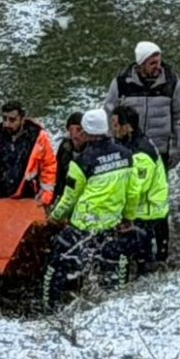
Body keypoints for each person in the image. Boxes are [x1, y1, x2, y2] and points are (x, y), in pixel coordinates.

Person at [42, 109, 139, 308]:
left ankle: (49, 306)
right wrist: (128, 217)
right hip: (112, 223)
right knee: (116, 264)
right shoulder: (127, 155)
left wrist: (54, 218)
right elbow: (133, 192)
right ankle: (117, 303)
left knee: (57, 262)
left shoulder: (81, 162)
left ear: (86, 131)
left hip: (83, 225)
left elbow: (69, 198)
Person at [103, 41, 180, 262]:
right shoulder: (121, 83)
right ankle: (137, 248)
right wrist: (114, 145)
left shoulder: (171, 82)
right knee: (132, 199)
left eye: (158, 61)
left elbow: (179, 117)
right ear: (140, 64)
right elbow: (109, 112)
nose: (158, 66)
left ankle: (162, 251)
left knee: (157, 202)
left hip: (158, 150)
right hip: (128, 149)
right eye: (152, 63)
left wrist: (177, 148)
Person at [0, 101, 58, 292]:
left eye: (12, 120)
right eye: (4, 119)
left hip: (26, 197)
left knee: (28, 241)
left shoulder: (39, 137)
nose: (7, 124)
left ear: (22, 118)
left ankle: (26, 279)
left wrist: (46, 197)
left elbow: (49, 167)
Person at [110, 105, 169, 274]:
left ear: (127, 126)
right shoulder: (132, 143)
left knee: (142, 258)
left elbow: (136, 190)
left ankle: (147, 271)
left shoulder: (141, 152)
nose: (113, 129)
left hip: (148, 211)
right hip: (143, 209)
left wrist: (127, 217)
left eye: (115, 124)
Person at [55, 112, 84, 197]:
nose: (75, 134)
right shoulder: (64, 146)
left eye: (79, 130)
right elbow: (58, 172)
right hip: (66, 190)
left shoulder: (91, 149)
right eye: (71, 130)